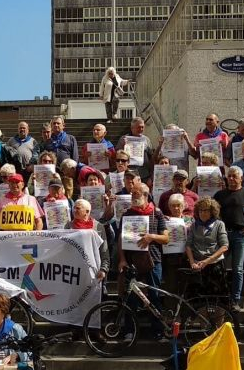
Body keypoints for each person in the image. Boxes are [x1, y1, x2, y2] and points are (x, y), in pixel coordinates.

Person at [118, 183, 170, 342]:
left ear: (146, 195)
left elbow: (166, 238)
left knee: (154, 296)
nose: (132, 196)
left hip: (153, 261)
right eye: (132, 193)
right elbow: (120, 239)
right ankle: (129, 331)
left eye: (136, 194)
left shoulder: (157, 213)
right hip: (132, 261)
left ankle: (158, 331)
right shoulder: (127, 214)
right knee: (131, 298)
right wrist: (122, 259)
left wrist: (151, 237)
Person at [214, 167, 244, 311]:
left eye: (234, 176)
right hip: (223, 235)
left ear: (241, 178)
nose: (231, 179)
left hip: (241, 235)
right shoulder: (219, 195)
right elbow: (214, 214)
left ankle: (235, 300)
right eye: (229, 176)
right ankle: (221, 297)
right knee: (219, 267)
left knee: (238, 268)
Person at [185, 197, 230, 295]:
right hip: (197, 266)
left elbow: (224, 246)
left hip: (214, 265)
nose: (202, 213)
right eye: (200, 210)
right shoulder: (194, 225)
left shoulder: (219, 224)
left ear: (212, 212)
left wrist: (207, 261)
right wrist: (192, 262)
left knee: (216, 295)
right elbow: (188, 245)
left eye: (205, 210)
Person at [65, 199, 109, 281]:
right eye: (74, 208)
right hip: (75, 270)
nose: (74, 210)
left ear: (87, 211)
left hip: (94, 269)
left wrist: (103, 269)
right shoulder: (68, 226)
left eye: (78, 208)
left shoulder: (98, 227)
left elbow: (104, 250)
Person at [115, 117, 155, 182]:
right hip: (129, 175)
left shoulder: (146, 139)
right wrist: (124, 146)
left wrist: (151, 175)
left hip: (144, 174)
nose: (141, 129)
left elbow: (151, 157)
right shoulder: (123, 139)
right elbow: (117, 155)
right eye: (138, 127)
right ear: (132, 128)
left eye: (142, 127)